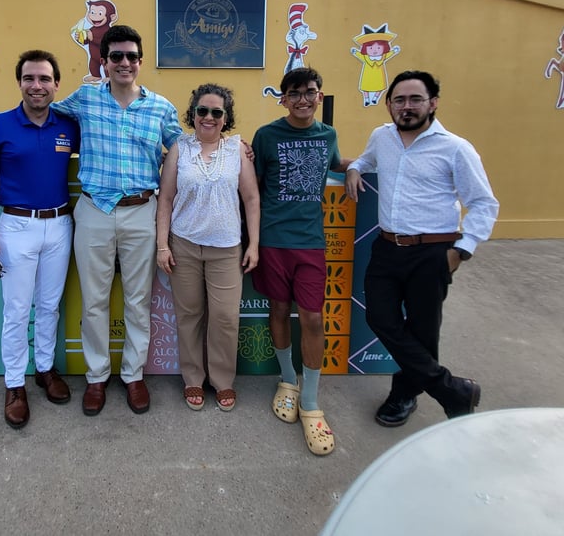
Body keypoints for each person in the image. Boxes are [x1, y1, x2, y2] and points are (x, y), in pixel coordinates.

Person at [345, 70, 499, 426]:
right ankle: (453, 391)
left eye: (415, 99)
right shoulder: (382, 137)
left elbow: (484, 203)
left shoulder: (456, 148)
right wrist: (354, 168)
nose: (407, 107)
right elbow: (366, 160)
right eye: (399, 100)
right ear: (389, 105)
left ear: (433, 103)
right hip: (386, 247)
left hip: (433, 252)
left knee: (422, 330)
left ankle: (403, 397)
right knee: (379, 317)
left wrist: (461, 250)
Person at [49, 25, 182, 416]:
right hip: (94, 210)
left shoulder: (160, 107)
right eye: (117, 56)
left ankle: (133, 375)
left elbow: (185, 149)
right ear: (104, 62)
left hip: (142, 211)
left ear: (140, 61)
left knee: (139, 300)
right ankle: (96, 377)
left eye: (132, 56)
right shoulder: (86, 99)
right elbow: (42, 111)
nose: (125, 63)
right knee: (94, 301)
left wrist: (233, 145)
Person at [0, 50, 80, 429]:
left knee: (49, 305)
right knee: (17, 310)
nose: (37, 86)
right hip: (16, 227)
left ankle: (45, 370)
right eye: (30, 79)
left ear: (56, 85)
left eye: (45, 79)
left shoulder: (69, 125)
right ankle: (15, 384)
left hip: (59, 225)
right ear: (19, 82)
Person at [251, 67, 349, 456]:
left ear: (320, 96)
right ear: (284, 98)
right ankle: (287, 381)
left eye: (310, 92)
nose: (303, 99)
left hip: (310, 242)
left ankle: (310, 400)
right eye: (295, 93)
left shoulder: (328, 135)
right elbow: (252, 186)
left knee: (311, 317)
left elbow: (337, 164)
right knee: (278, 308)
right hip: (273, 240)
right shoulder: (267, 136)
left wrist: (356, 167)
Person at [156, 84, 260, 412]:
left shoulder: (237, 151)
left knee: (226, 318)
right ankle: (192, 379)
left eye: (217, 112)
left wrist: (253, 244)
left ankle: (223, 380)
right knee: (189, 316)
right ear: (193, 114)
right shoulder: (179, 148)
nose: (209, 117)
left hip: (227, 248)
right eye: (202, 110)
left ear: (225, 117)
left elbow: (252, 199)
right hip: (184, 245)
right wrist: (162, 245)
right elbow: (167, 200)